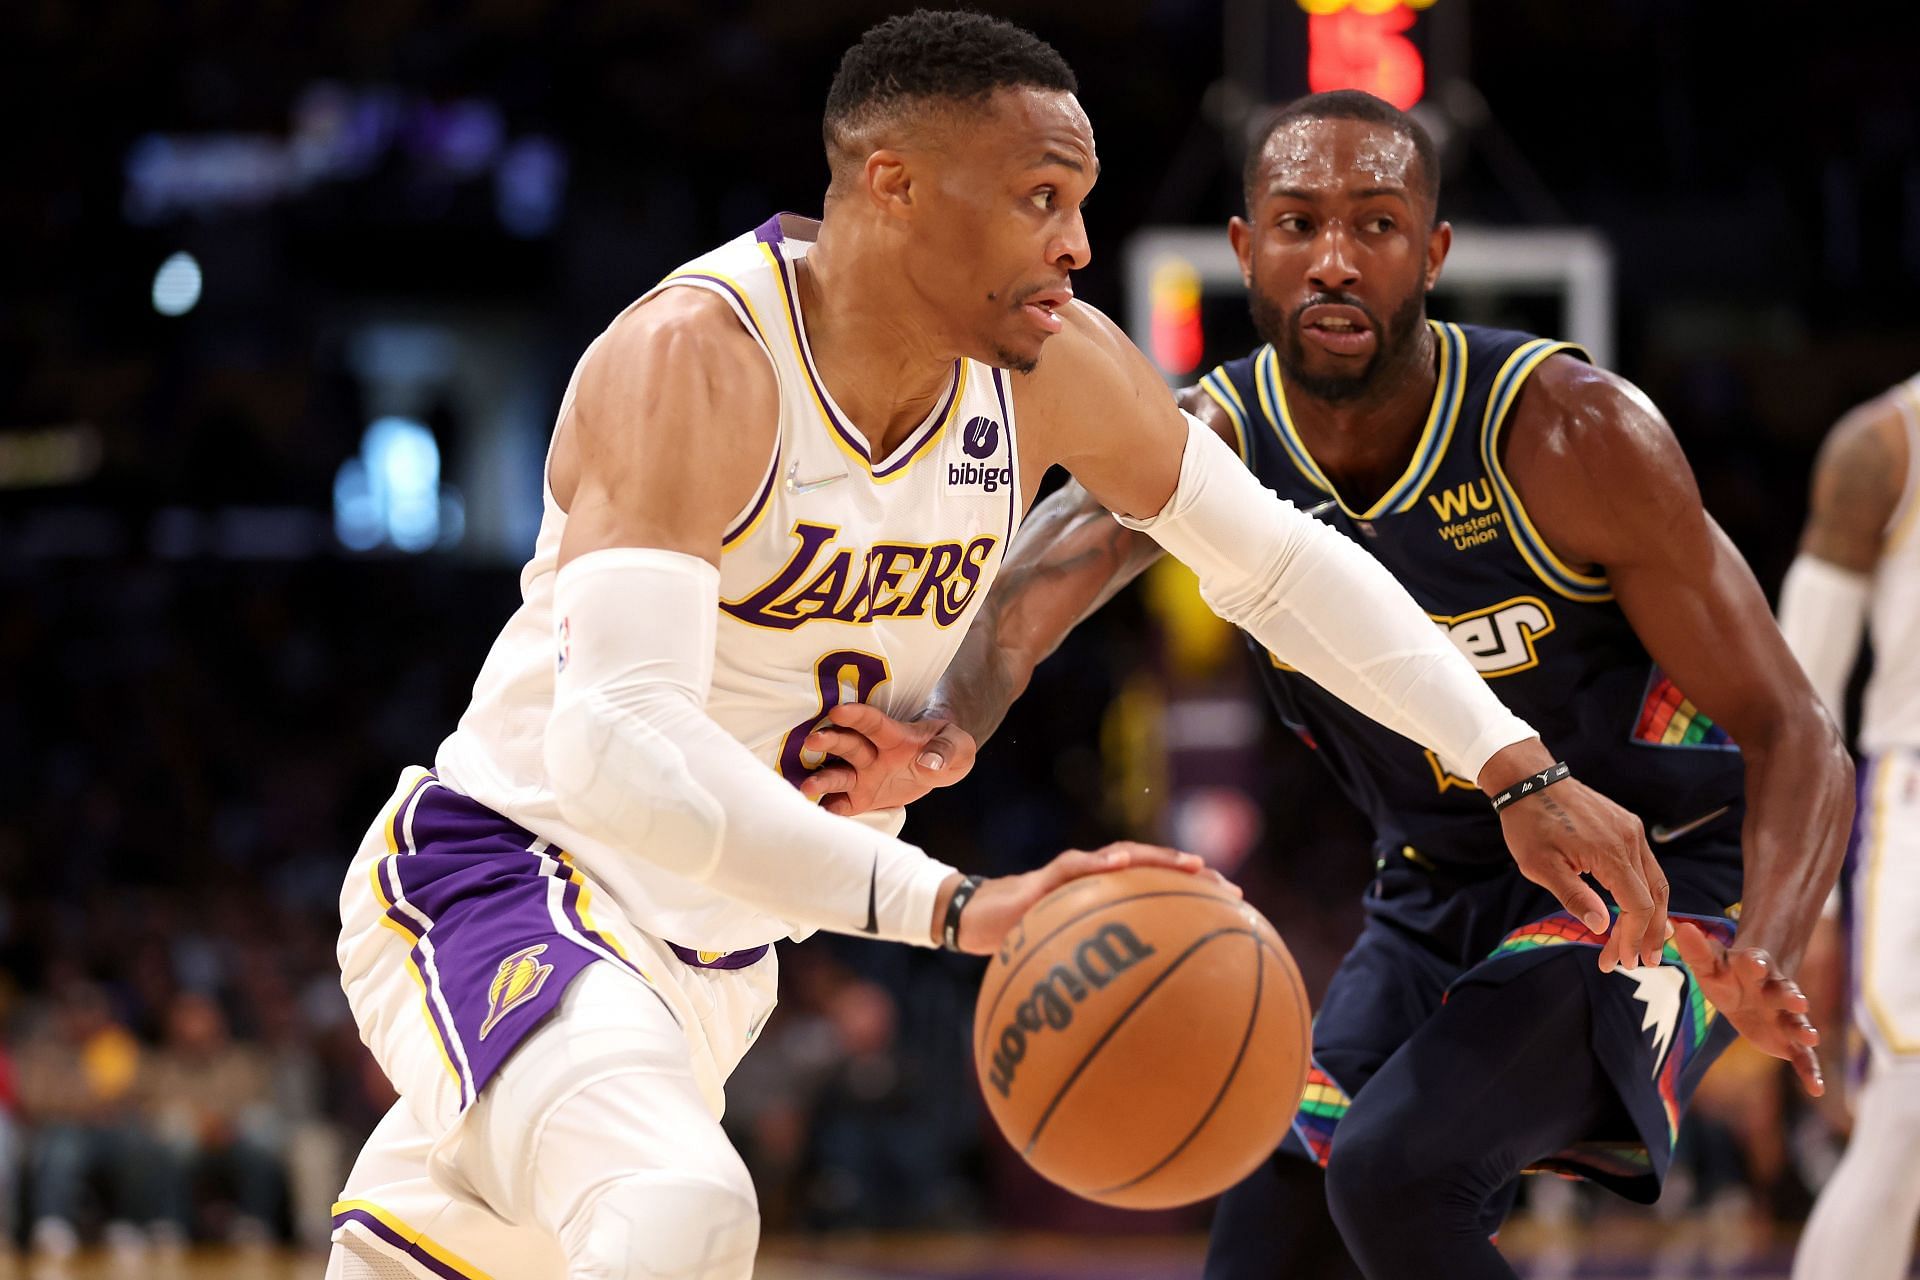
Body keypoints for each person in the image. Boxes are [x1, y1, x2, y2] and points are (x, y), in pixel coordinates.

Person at [325, 17, 1669, 1278]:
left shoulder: (1052, 370)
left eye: (1081, 204)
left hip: (717, 958)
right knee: (682, 1206)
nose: (1080, 245)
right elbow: (616, 747)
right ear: (895, 184)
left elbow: (1275, 561)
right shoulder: (700, 357)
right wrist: (958, 907)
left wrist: (1514, 766)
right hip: (512, 876)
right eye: (1044, 199)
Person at [809, 90, 1850, 1280]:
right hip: (1436, 883)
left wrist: (1767, 944)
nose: (1336, 259)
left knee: (1398, 1171)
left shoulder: (1570, 433)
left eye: (1377, 224)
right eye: (1299, 223)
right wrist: (942, 732)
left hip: (1651, 877)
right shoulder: (1212, 440)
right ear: (1247, 250)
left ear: (1435, 251)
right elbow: (1033, 589)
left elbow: (1795, 726)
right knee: (1274, 1222)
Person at [1781, 373, 1920, 1280]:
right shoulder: (1884, 446)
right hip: (1915, 784)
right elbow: (1802, 698)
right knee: (1909, 1116)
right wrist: (1813, 904)